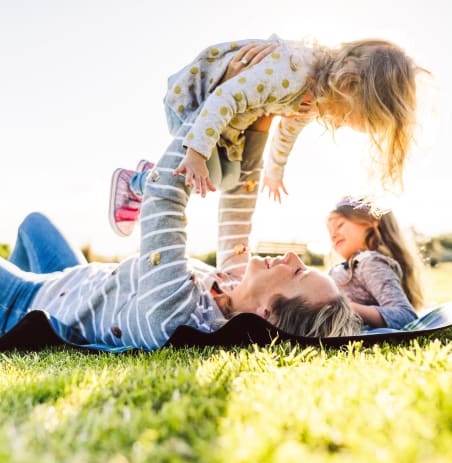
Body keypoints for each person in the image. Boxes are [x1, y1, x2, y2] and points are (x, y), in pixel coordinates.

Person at [0, 117, 362, 353]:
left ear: (267, 314)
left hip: (28, 301)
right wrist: (261, 125)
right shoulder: (231, 285)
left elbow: (163, 199)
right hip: (73, 285)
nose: (294, 258)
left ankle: (12, 330)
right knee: (35, 224)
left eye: (298, 272)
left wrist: (209, 114)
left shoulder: (176, 316)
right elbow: (240, 198)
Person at [109, 34, 426, 236]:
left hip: (227, 122)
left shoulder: (316, 97)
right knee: (208, 176)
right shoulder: (291, 74)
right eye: (361, 117)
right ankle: (136, 182)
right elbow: (225, 97)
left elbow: (288, 129)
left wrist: (275, 172)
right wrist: (194, 153)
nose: (354, 126)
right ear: (351, 85)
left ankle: (152, 177)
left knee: (230, 178)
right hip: (195, 99)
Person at [326, 196, 424, 329]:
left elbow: (405, 316)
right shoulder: (348, 267)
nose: (333, 235)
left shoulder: (370, 263)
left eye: (340, 225)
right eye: (330, 231)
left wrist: (348, 308)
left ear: (371, 220)